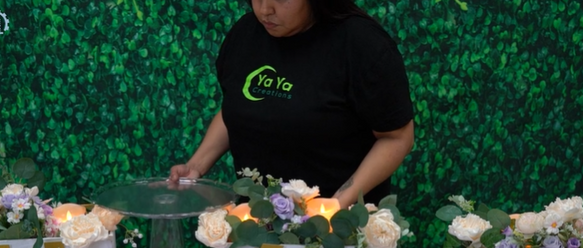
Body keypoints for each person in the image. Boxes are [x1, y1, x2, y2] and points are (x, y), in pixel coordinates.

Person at [169, 0, 414, 208]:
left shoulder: (362, 44)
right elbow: (237, 107)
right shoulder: (245, 34)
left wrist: (338, 203)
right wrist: (196, 166)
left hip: (338, 231)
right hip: (256, 225)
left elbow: (396, 137)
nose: (265, 10)